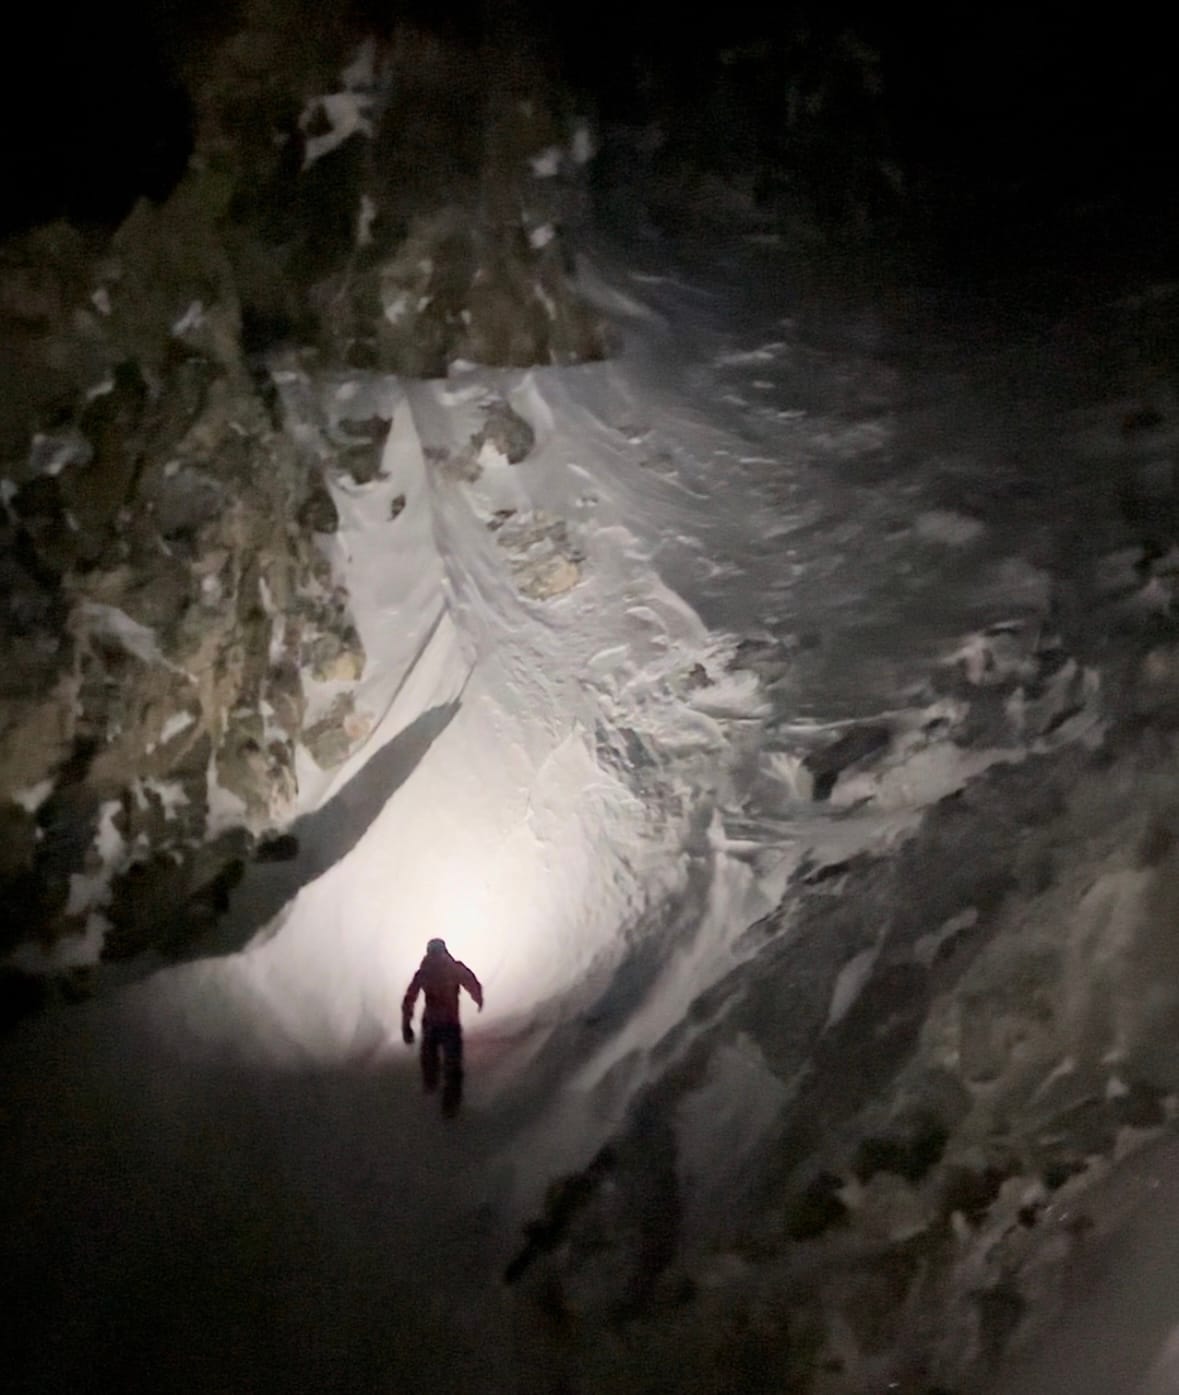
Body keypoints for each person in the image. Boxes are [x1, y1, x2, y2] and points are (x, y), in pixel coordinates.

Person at [401, 938, 483, 1116]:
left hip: (431, 1022)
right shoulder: (453, 967)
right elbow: (470, 981)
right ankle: (451, 1104)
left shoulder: (424, 972)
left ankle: (430, 1091)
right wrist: (478, 998)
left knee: (429, 1059)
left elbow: (410, 998)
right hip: (450, 1022)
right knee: (452, 1062)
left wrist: (406, 1024)